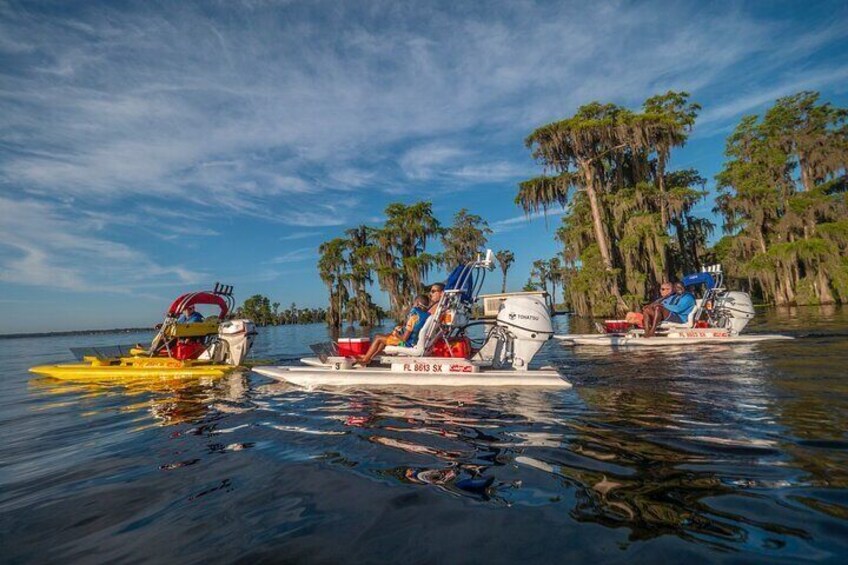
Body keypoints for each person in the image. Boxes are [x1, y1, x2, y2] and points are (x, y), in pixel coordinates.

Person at [356, 295, 431, 366]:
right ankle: (369, 358)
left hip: (408, 344)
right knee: (386, 337)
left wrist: (396, 334)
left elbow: (404, 339)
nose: (413, 305)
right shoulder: (427, 316)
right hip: (415, 342)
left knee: (378, 337)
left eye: (413, 303)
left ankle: (365, 360)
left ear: (417, 303)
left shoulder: (414, 317)